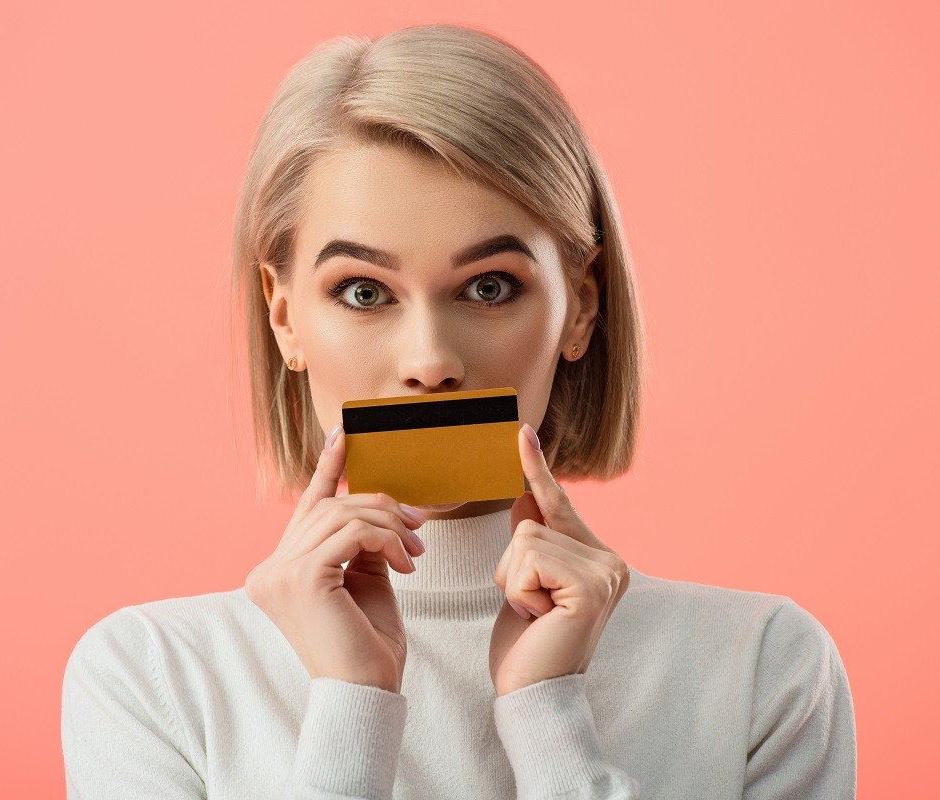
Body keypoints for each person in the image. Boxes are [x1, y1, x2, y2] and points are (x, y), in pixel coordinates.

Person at [61, 22, 856, 799]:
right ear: (284, 317)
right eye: (364, 293)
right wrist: (351, 706)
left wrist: (549, 721)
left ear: (581, 305)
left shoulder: (762, 668)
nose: (431, 361)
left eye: (488, 287)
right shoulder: (150, 679)